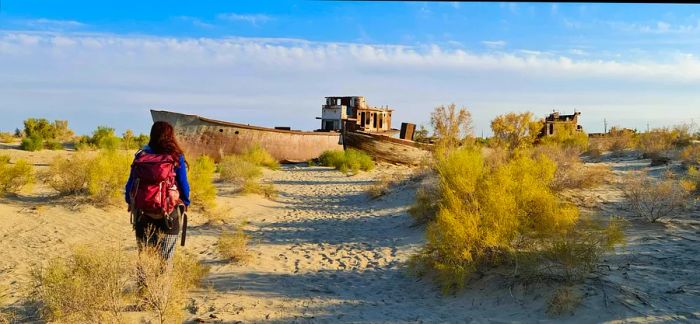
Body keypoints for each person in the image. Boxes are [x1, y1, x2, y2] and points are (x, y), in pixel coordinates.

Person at [125, 121, 190, 269]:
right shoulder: (175, 156)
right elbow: (184, 184)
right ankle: (161, 291)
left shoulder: (141, 155)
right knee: (166, 261)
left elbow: (131, 183)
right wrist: (186, 202)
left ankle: (143, 291)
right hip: (169, 213)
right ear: (170, 136)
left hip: (143, 213)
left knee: (144, 260)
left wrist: (130, 201)